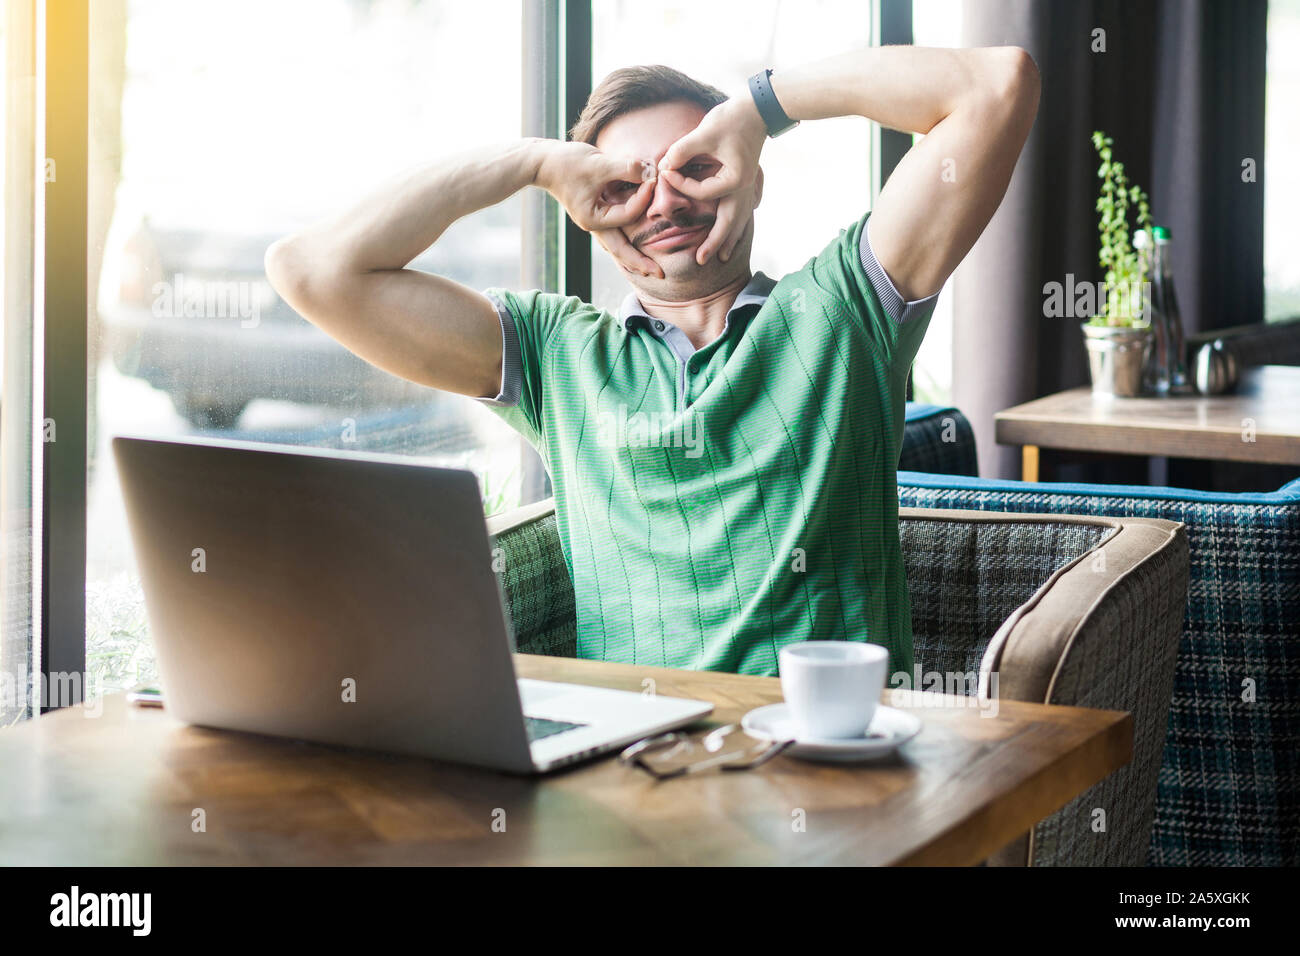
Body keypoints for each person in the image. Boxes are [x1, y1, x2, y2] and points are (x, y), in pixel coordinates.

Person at [265, 45, 1040, 678]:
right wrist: (533, 164)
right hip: (644, 774)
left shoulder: (845, 309)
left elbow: (996, 85)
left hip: (827, 768)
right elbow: (311, 270)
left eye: (693, 166)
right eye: (624, 185)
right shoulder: (554, 354)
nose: (661, 203)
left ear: (748, 176)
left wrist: (760, 109)